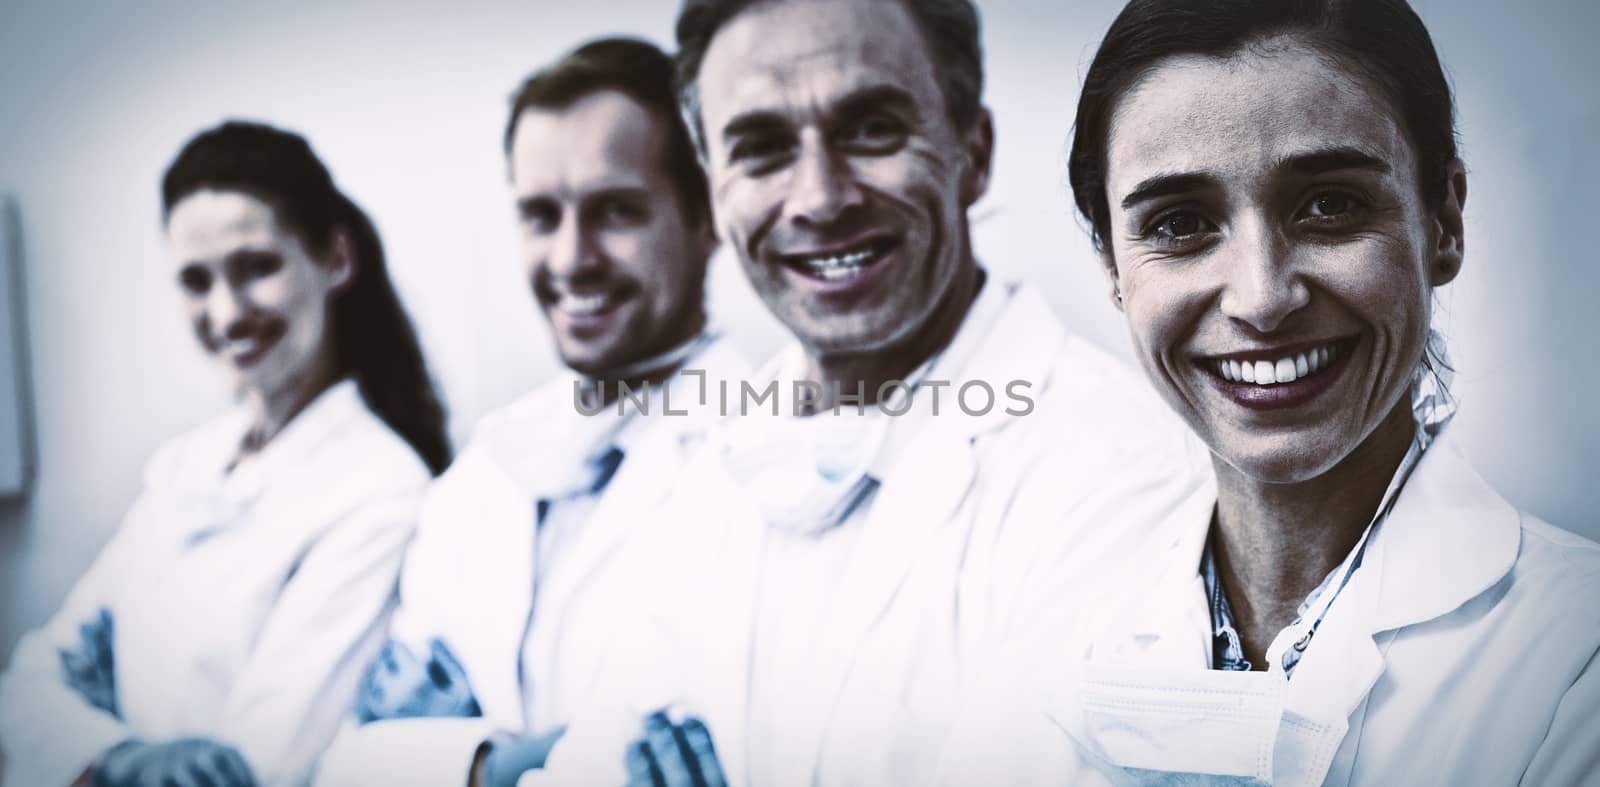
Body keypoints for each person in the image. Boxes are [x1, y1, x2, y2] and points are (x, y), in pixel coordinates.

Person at [519, 1, 1208, 784]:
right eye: (761, 148)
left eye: (871, 128)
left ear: (972, 152)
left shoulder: (1126, 473)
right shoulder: (700, 451)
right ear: (715, 190)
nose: (819, 197)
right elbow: (590, 758)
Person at [932, 0, 1600, 784]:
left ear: (1443, 219)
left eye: (1330, 205)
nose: (1261, 296)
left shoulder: (1572, 664)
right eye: (1180, 222)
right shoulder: (1051, 621)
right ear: (1113, 267)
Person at [312, 38, 748, 787]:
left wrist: (450, 759)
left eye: (617, 211)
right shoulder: (483, 473)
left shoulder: (769, 459)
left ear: (707, 216)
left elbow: (745, 755)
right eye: (541, 215)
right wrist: (522, 758)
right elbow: (348, 765)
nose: (572, 258)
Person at [0, 121, 449, 787]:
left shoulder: (382, 489)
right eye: (195, 280)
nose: (227, 311)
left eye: (257, 267)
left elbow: (259, 766)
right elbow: (29, 684)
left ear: (335, 259)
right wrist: (123, 757)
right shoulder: (186, 465)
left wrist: (91, 750)